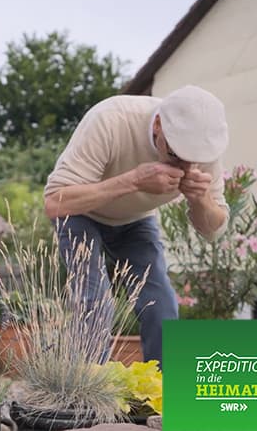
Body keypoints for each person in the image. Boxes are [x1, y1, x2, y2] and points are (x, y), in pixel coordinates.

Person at [44, 85, 229, 368]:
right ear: (157, 125)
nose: (185, 166)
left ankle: (164, 386)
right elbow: (55, 203)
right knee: (96, 301)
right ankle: (86, 386)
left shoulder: (204, 149)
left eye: (193, 161)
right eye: (175, 154)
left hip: (135, 220)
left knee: (161, 304)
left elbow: (214, 230)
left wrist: (200, 199)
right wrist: (133, 181)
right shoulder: (111, 120)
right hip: (80, 213)